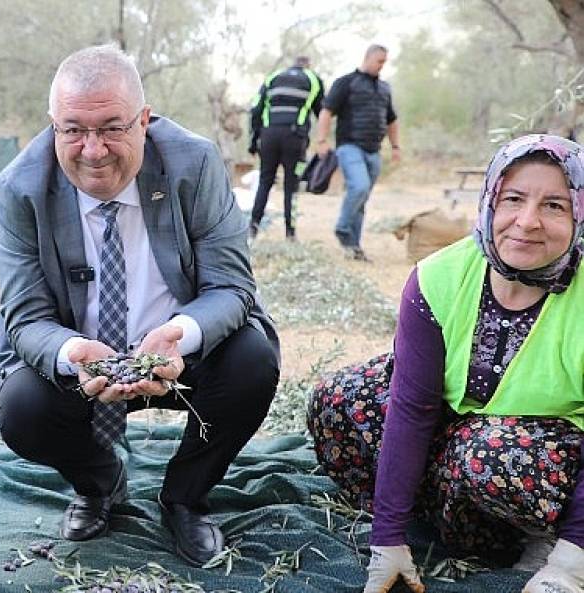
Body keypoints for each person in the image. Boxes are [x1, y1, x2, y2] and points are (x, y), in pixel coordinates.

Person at [0, 45, 280, 567]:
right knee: (20, 406)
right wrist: (73, 352)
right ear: (53, 126)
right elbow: (25, 317)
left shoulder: (193, 163)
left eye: (112, 127)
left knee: (252, 359)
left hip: (181, 356)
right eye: (73, 130)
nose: (93, 150)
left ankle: (184, 498)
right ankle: (100, 482)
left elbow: (231, 286)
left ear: (144, 121)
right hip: (83, 364)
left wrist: (181, 335)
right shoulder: (18, 188)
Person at [307, 135, 584, 593]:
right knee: (340, 399)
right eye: (513, 199)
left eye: (555, 206)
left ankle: (545, 539)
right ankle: (434, 514)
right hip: (456, 432)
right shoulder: (438, 276)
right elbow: (412, 407)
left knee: (487, 456)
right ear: (491, 200)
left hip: (545, 461)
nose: (527, 221)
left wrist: (573, 560)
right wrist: (387, 537)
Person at [314, 44, 400, 261]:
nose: (382, 66)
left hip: (374, 151)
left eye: (384, 62)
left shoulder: (384, 88)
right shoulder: (346, 83)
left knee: (361, 200)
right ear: (368, 58)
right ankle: (342, 228)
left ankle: (354, 247)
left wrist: (396, 146)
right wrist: (321, 140)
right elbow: (326, 112)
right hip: (350, 146)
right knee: (359, 187)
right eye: (380, 61)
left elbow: (391, 120)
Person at [248, 55, 324, 241]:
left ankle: (253, 228)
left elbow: (256, 108)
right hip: (295, 139)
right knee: (292, 185)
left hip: (269, 137)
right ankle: (290, 233)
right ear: (307, 65)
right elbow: (322, 112)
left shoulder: (273, 77)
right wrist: (321, 140)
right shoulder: (312, 79)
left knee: (265, 181)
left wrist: (253, 140)